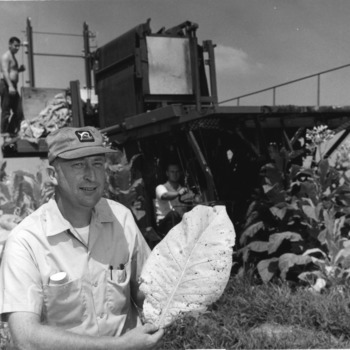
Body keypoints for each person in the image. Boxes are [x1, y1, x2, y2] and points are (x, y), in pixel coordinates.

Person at [0, 126, 164, 350]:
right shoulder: (27, 241)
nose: (91, 174)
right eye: (78, 164)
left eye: (97, 163)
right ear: (52, 175)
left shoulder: (121, 220)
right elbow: (25, 337)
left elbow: (149, 292)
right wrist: (119, 346)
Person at [154, 162, 194, 236]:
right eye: (172, 172)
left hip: (182, 223)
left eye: (177, 171)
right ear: (167, 173)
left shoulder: (185, 190)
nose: (175, 174)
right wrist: (178, 193)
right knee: (173, 214)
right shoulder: (160, 187)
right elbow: (165, 195)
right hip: (165, 224)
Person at [0, 36, 25, 135]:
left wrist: (19, 70)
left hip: (12, 86)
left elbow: (12, 71)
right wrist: (10, 85)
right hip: (6, 85)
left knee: (19, 111)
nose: (17, 48)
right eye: (15, 46)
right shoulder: (6, 56)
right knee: (6, 110)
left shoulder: (13, 57)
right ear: (10, 45)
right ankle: (3, 132)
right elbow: (5, 72)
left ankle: (10, 131)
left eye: (18, 46)